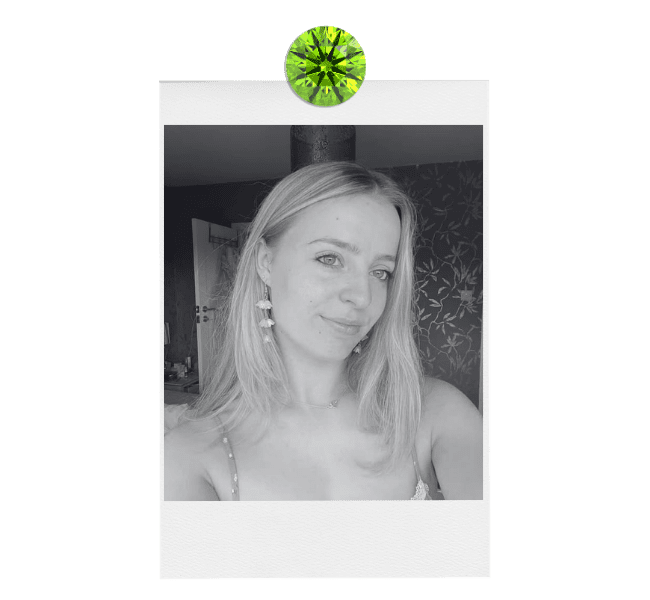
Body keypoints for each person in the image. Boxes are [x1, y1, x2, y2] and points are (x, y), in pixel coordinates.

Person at [165, 161, 482, 501]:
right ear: (266, 263)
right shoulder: (191, 455)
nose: (362, 297)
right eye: (330, 258)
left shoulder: (436, 412)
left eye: (380, 272)